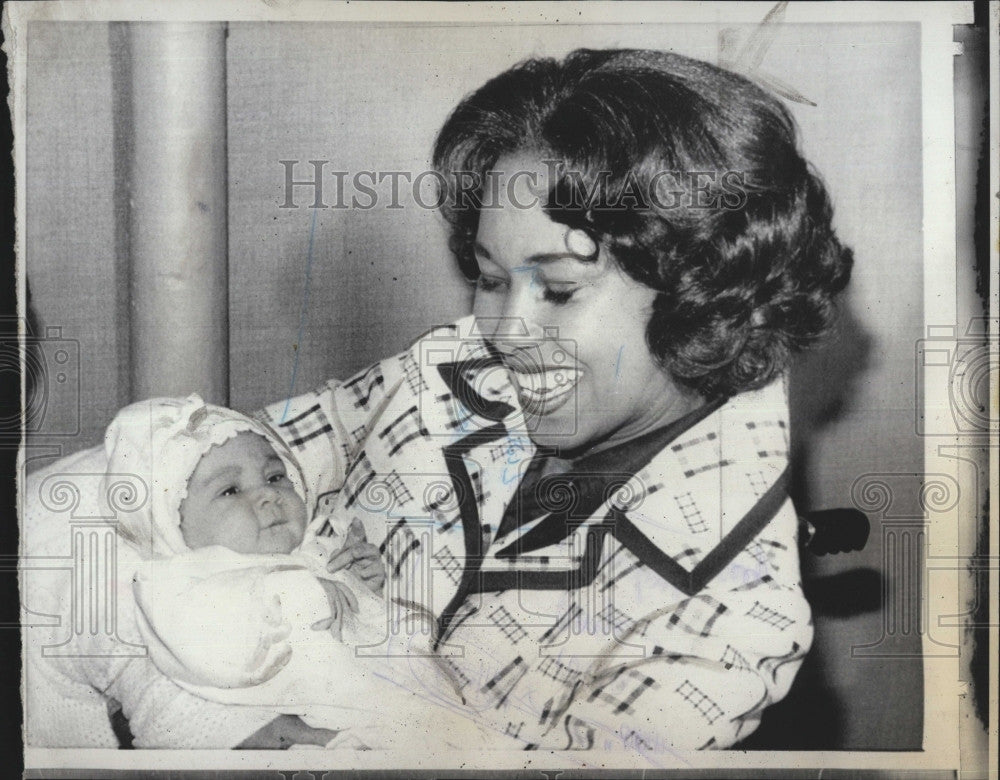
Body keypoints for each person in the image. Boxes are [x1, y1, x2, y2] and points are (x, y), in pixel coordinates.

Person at [252, 48, 853, 752]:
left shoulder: (728, 619)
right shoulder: (456, 366)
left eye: (560, 290)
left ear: (701, 291)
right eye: (491, 278)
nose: (503, 334)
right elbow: (210, 462)